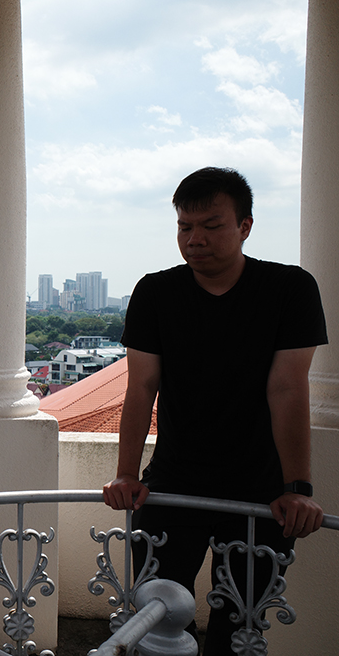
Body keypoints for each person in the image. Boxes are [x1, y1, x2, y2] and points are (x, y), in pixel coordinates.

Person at [102, 166, 328, 653]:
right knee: (154, 618)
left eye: (211, 225)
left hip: (261, 495)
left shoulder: (290, 289)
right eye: (185, 226)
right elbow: (141, 387)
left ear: (245, 226)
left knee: (238, 628)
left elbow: (287, 388)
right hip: (172, 486)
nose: (194, 239)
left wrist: (297, 488)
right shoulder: (156, 292)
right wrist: (126, 474)